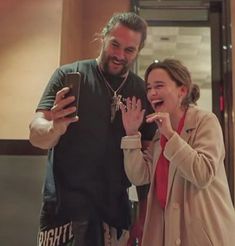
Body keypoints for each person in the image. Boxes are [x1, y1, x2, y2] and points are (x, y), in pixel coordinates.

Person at [29, 12, 156, 246]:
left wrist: (145, 218)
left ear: (138, 51)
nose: (119, 55)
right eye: (115, 44)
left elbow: (147, 164)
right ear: (103, 37)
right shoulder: (68, 75)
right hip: (64, 212)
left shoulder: (140, 91)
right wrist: (55, 128)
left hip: (114, 215)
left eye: (129, 50)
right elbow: (36, 134)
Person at [120, 58, 235, 246]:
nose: (152, 93)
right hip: (166, 233)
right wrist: (132, 134)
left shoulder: (205, 121)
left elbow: (203, 173)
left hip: (204, 234)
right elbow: (139, 176)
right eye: (148, 88)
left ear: (182, 90)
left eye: (159, 86)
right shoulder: (159, 134)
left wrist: (170, 135)